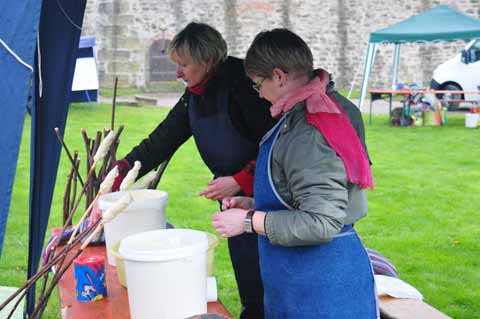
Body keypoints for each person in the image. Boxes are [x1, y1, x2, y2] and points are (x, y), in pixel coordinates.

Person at [103, 22, 275, 318]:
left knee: (270, 282)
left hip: (267, 194)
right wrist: (119, 171)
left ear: (207, 60)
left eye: (183, 65)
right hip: (233, 198)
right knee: (249, 279)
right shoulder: (194, 94)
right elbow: (161, 140)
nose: (177, 73)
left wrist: (240, 179)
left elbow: (274, 142)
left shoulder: (244, 86)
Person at [211, 28, 378, 318]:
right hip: (302, 279)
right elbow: (315, 191)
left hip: (320, 288)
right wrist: (255, 203)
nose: (260, 94)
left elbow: (322, 220)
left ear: (279, 76)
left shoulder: (310, 127)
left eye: (258, 84)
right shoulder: (326, 108)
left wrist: (249, 220)